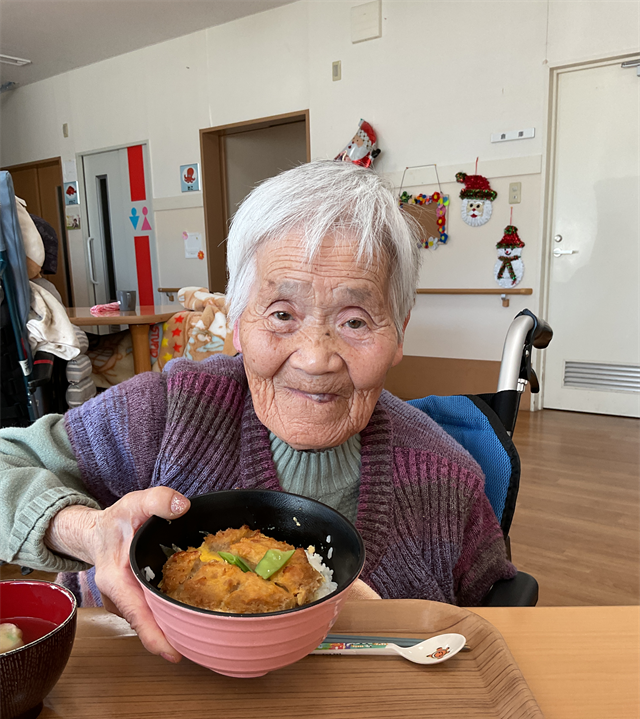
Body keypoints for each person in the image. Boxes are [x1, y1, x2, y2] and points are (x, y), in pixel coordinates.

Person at [0, 160, 515, 663]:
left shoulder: (448, 481)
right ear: (238, 323)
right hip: (124, 704)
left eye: (356, 321)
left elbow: (492, 635)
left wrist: (393, 628)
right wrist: (87, 531)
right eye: (282, 314)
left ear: (399, 331)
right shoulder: (165, 411)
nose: (316, 358)